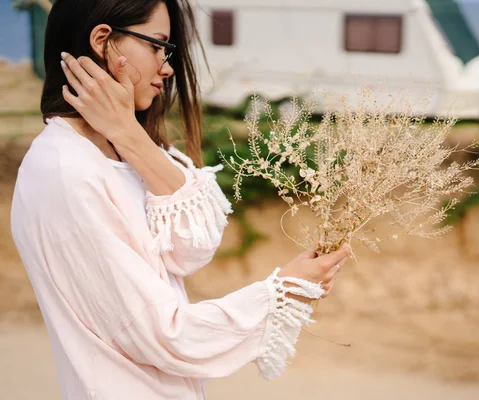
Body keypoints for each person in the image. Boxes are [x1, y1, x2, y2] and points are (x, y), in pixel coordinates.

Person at [10, 0, 350, 399]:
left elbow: (192, 248)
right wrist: (285, 290)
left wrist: (131, 138)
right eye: (156, 46)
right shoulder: (65, 171)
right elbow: (163, 334)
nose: (167, 66)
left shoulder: (132, 151)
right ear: (104, 42)